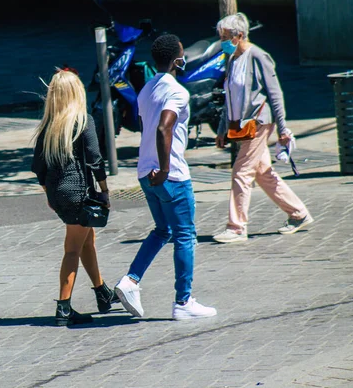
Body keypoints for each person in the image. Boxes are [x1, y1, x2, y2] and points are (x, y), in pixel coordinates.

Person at [114, 34, 217, 320]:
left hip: (144, 172)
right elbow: (164, 128)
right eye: (183, 54)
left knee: (163, 230)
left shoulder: (147, 88)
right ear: (177, 60)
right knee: (185, 234)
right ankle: (183, 302)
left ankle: (130, 281)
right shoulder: (178, 92)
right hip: (168, 175)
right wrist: (166, 168)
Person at [213, 13, 313, 244]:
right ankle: (299, 214)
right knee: (263, 173)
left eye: (225, 37)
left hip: (258, 124)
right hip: (241, 125)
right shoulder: (232, 59)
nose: (222, 41)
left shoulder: (258, 56)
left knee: (241, 172)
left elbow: (275, 94)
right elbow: (229, 97)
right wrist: (221, 130)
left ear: (239, 36)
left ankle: (237, 227)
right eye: (221, 37)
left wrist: (283, 128)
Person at [31, 68, 118, 326]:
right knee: (72, 248)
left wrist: (49, 194)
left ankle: (103, 293)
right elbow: (95, 159)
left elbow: (38, 166)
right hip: (78, 193)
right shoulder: (83, 120)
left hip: (57, 192)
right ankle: (64, 308)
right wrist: (104, 191)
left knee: (87, 241)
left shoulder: (49, 126)